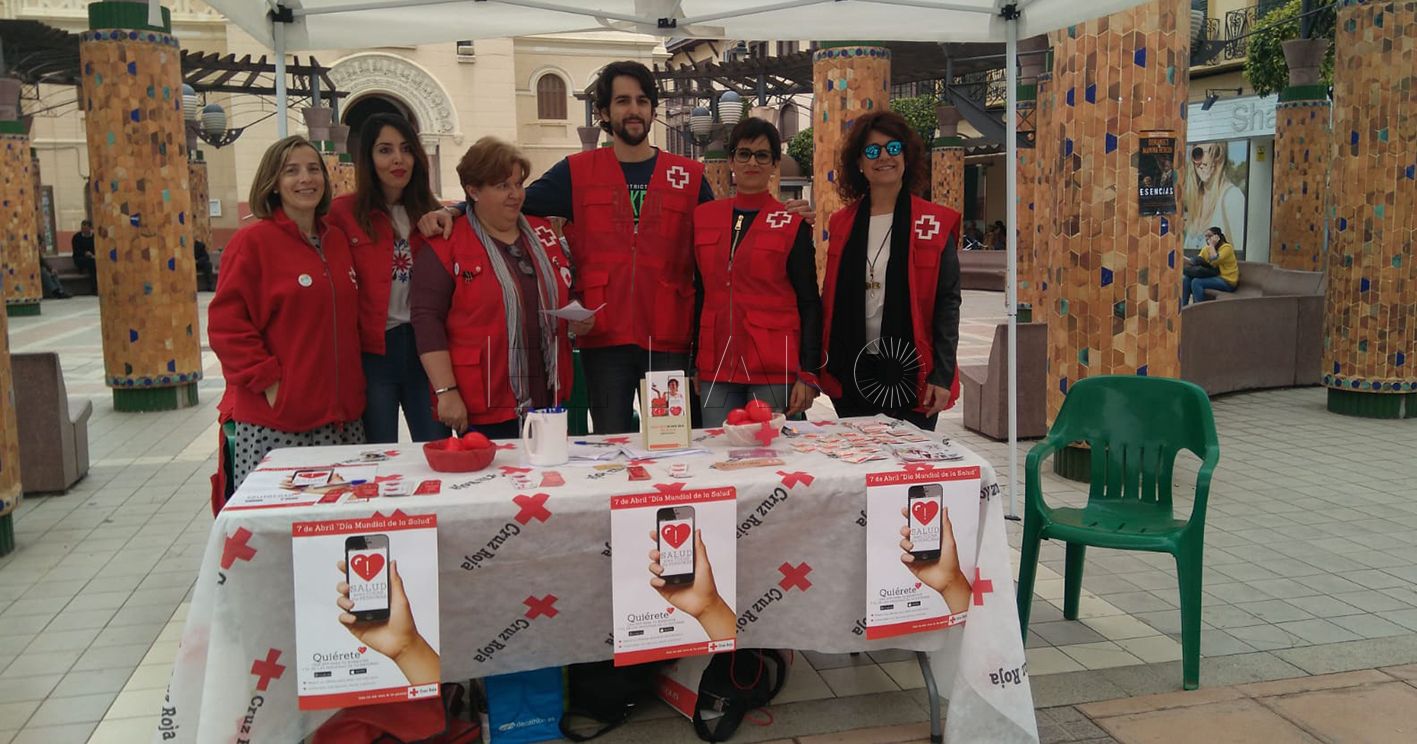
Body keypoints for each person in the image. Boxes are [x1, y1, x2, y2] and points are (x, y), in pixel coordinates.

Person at [418, 61, 717, 435]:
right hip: (605, 339)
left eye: (642, 100)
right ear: (605, 112)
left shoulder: (688, 177)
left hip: (668, 338)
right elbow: (512, 199)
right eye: (622, 101)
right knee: (611, 442)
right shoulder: (576, 172)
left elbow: (721, 250)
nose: (634, 110)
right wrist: (459, 209)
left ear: (653, 110)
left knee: (670, 439)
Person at [208, 136, 366, 488]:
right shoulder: (252, 244)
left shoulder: (337, 242)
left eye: (313, 169)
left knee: (337, 530)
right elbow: (226, 325)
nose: (305, 179)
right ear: (274, 183)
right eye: (291, 171)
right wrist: (270, 383)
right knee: (283, 536)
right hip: (277, 424)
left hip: (342, 422)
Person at [410, 137, 575, 439]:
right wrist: (446, 391)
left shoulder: (542, 233)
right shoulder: (446, 243)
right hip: (485, 398)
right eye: (502, 186)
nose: (515, 195)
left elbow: (563, 291)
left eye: (518, 184)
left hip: (548, 394)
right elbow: (426, 321)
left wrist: (578, 320)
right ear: (473, 191)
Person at [819, 111, 962, 431]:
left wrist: (942, 374)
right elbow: (829, 297)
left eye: (892, 148)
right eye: (872, 151)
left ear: (906, 156)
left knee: (907, 472)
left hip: (913, 375)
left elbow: (947, 304)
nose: (883, 156)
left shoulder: (933, 224)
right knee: (862, 467)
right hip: (853, 370)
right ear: (859, 163)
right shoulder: (842, 223)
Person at [692, 116, 821, 427]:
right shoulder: (703, 218)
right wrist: (694, 362)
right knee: (719, 456)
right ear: (731, 161)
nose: (752, 162)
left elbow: (810, 302)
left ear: (774, 164)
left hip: (773, 368)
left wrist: (809, 373)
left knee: (769, 459)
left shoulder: (791, 223)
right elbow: (699, 294)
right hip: (716, 366)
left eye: (762, 155)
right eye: (744, 153)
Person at [327, 113, 448, 444]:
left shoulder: (433, 213)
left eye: (406, 149)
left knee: (437, 445)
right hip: (373, 353)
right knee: (376, 455)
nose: (398, 159)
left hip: (426, 349)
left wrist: (454, 211)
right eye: (385, 150)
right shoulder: (342, 215)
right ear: (367, 158)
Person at [1183, 142, 1245, 256]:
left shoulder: (1232, 197)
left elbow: (1242, 256)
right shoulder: (1195, 202)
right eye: (1198, 154)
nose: (1205, 161)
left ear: (1221, 157)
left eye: (1214, 153)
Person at [1182, 226, 1239, 307]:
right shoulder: (1207, 249)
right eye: (1206, 236)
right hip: (1215, 277)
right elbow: (1196, 261)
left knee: (1196, 282)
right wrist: (1180, 257)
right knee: (1186, 279)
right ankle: (1182, 309)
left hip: (1227, 281)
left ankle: (1199, 310)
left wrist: (1212, 245)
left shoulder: (1227, 248)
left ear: (1217, 237)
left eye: (1210, 236)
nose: (1207, 239)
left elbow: (1214, 258)